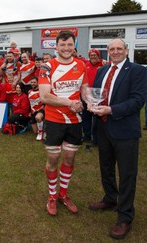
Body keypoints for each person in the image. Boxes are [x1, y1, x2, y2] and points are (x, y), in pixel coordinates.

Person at [89, 39, 147, 240]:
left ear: (126, 50)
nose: (115, 52)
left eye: (119, 48)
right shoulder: (102, 71)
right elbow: (95, 93)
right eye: (112, 49)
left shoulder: (137, 70)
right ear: (108, 51)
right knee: (106, 168)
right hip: (103, 127)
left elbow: (138, 101)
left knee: (127, 174)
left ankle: (125, 217)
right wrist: (91, 103)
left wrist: (111, 110)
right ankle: (110, 199)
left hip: (125, 130)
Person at [38, 30, 88, 216]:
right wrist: (69, 103)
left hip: (75, 121)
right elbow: (44, 95)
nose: (66, 48)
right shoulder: (47, 67)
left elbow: (84, 90)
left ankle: (63, 195)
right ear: (56, 46)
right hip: (54, 120)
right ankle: (52, 196)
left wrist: (90, 101)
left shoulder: (81, 65)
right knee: (53, 159)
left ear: (74, 45)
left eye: (69, 44)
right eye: (62, 45)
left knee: (69, 158)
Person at [82, 49, 104, 151]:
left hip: (97, 95)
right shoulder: (85, 64)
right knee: (86, 117)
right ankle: (86, 136)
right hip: (86, 94)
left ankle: (96, 138)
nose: (93, 57)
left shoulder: (104, 65)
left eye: (95, 55)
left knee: (96, 118)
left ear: (98, 56)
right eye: (91, 55)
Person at [28, 76, 45, 141]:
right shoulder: (29, 91)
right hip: (33, 112)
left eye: (34, 82)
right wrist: (29, 111)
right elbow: (29, 103)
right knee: (35, 131)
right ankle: (43, 129)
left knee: (38, 117)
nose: (33, 83)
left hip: (41, 110)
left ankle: (40, 133)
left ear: (38, 83)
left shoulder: (41, 92)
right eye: (31, 82)